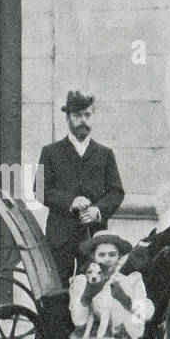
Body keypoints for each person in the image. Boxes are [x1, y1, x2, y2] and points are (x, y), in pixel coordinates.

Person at [44, 234, 152, 339]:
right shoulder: (82, 281)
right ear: (93, 257)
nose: (107, 259)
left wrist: (126, 300)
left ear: (120, 257)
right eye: (101, 255)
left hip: (121, 334)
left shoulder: (131, 280)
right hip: (91, 333)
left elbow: (146, 314)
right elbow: (78, 320)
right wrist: (87, 295)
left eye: (112, 254)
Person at [36, 91, 125, 281]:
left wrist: (97, 211)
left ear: (93, 117)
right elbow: (40, 190)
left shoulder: (105, 154)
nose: (82, 120)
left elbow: (116, 192)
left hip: (93, 237)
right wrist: (70, 201)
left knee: (93, 290)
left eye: (87, 115)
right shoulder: (50, 152)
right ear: (67, 118)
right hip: (60, 237)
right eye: (77, 115)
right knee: (58, 291)